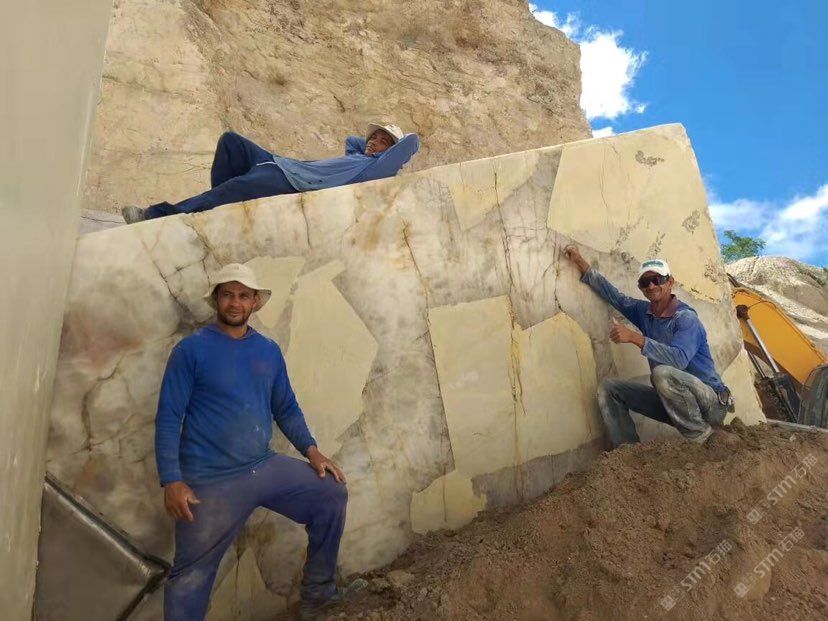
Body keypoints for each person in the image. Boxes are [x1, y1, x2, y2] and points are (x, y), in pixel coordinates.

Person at [154, 262, 364, 620]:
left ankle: (318, 597)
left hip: (261, 466)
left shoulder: (268, 351)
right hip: (210, 481)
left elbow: (286, 407)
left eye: (243, 296)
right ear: (216, 300)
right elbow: (169, 416)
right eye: (227, 295)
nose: (235, 303)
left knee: (331, 493)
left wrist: (312, 451)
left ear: (255, 302)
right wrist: (171, 480)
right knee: (189, 577)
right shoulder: (191, 351)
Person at [563, 245, 734, 447]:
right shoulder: (644, 312)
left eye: (657, 279)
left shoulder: (686, 318)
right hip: (675, 405)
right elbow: (615, 297)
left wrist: (636, 338)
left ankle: (704, 439)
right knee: (609, 389)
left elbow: (679, 359)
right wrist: (579, 261)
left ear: (670, 282)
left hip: (711, 404)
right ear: (641, 287)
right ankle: (627, 453)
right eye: (645, 282)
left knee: (662, 373)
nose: (651, 286)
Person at [123, 123, 420, 223]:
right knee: (231, 142)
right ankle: (221, 210)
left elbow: (411, 142)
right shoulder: (356, 156)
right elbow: (353, 140)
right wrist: (372, 144)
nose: (373, 142)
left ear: (390, 154)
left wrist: (387, 151)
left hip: (289, 181)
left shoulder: (374, 172)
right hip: (278, 162)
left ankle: (155, 216)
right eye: (374, 137)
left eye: (383, 141)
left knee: (230, 189)